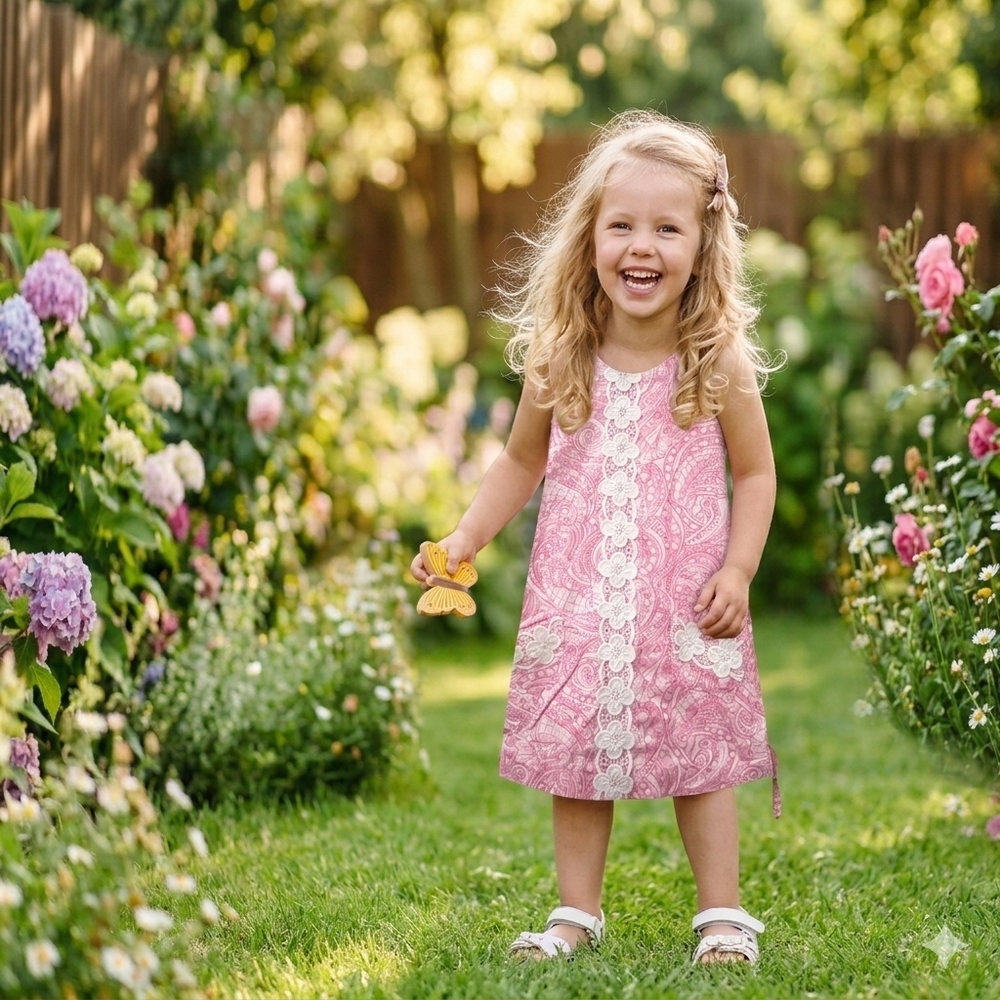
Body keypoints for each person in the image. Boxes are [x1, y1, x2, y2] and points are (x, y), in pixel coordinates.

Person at [410, 110, 780, 965]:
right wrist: (464, 538)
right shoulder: (563, 351)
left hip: (688, 602)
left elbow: (756, 474)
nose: (640, 246)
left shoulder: (713, 356)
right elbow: (518, 461)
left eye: (666, 227)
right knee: (576, 756)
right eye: (621, 225)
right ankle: (576, 913)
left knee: (700, 754)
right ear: (589, 237)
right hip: (580, 597)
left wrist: (740, 567)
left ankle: (722, 914)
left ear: (702, 241)